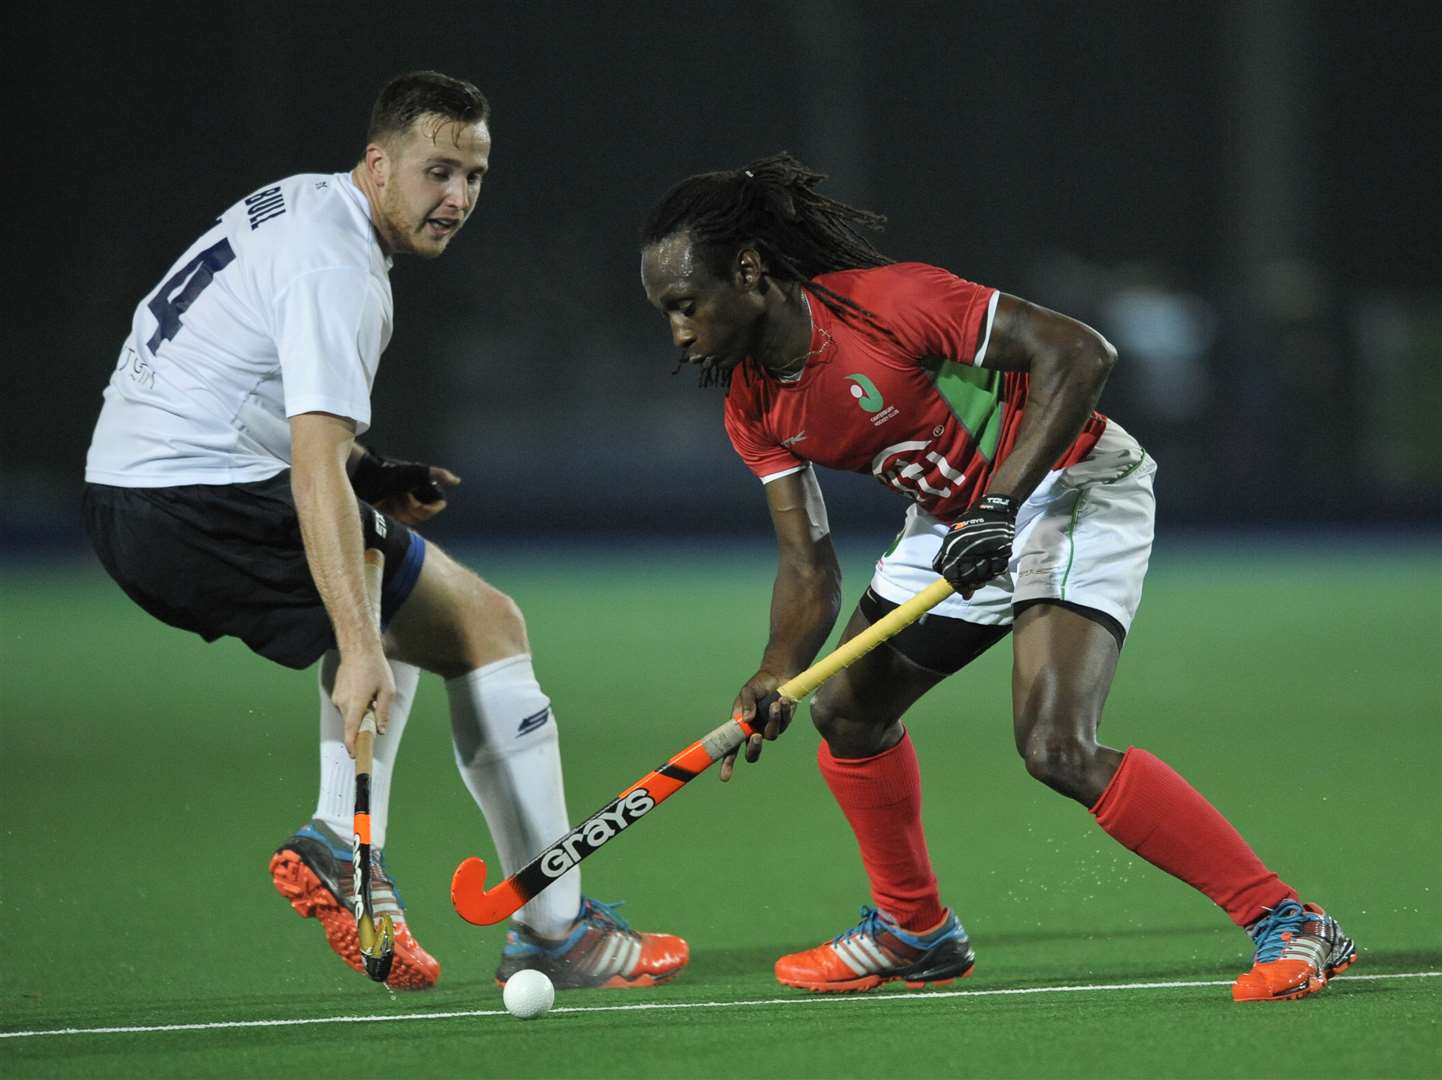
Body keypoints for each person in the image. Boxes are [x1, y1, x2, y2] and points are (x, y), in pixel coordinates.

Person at [638, 153, 1354, 1003]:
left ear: (749, 272)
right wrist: (773, 671)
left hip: (1071, 484)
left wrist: (999, 506)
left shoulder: (891, 303)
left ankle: (1289, 919)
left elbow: (1081, 354)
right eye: (667, 313)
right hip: (955, 522)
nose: (679, 331)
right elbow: (808, 565)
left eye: (686, 304)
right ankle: (915, 933)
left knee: (1055, 746)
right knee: (846, 710)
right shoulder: (752, 406)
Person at [82, 71, 687, 992]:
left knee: (406, 590)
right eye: (436, 171)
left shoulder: (307, 205)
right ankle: (533, 921)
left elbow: (257, 399)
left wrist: (375, 474)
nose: (456, 198)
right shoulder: (341, 270)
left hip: (132, 492)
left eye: (474, 176)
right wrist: (358, 647)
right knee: (471, 623)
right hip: (191, 500)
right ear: (379, 161)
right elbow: (312, 464)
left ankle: (385, 856)